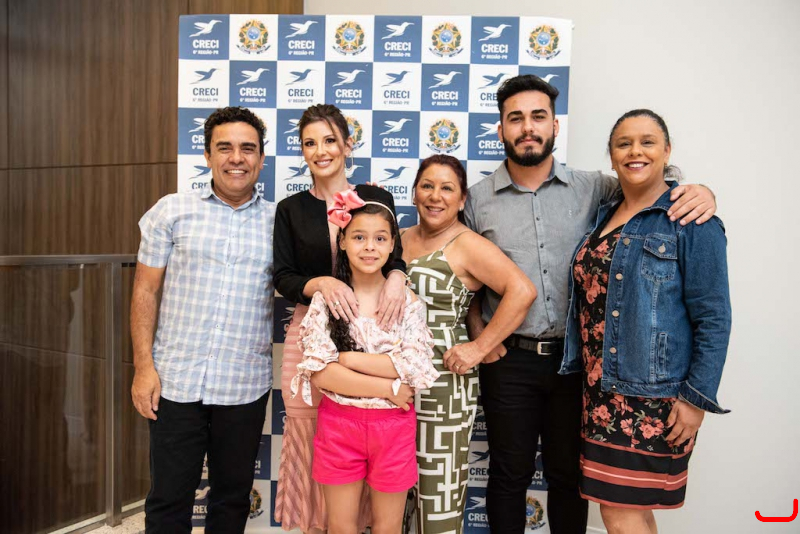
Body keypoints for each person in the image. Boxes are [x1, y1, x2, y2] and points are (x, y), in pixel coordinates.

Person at [463, 74, 718, 534]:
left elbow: (647, 183)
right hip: (510, 361)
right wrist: (479, 333)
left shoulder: (595, 188)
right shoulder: (476, 200)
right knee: (507, 475)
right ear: (500, 129)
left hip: (578, 363)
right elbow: (463, 276)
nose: (527, 127)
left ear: (554, 126)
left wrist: (697, 190)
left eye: (538, 116)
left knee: (569, 477)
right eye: (515, 118)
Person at [559, 109, 730, 534]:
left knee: (620, 514)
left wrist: (696, 398)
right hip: (599, 392)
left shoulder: (690, 219)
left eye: (647, 142)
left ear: (667, 150)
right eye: (624, 143)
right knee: (628, 512)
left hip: (652, 398)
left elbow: (714, 316)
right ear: (612, 156)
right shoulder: (603, 213)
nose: (635, 151)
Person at [130, 106, 275, 533]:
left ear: (261, 158)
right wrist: (143, 367)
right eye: (224, 148)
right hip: (175, 381)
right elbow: (144, 291)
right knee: (168, 500)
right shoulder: (171, 210)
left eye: (247, 148)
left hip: (243, 384)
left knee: (231, 500)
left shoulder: (278, 221)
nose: (236, 158)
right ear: (208, 155)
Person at [273, 103, 409, 533]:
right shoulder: (291, 209)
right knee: (316, 443)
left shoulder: (375, 197)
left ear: (348, 145)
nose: (321, 151)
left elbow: (395, 254)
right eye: (310, 143)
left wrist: (398, 277)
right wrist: (323, 284)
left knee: (372, 436)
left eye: (330, 140)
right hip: (310, 336)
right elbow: (283, 276)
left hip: (375, 333)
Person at [400, 155, 536, 533]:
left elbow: (522, 291)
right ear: (414, 193)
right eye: (427, 186)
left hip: (442, 384)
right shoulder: (398, 238)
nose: (435, 196)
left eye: (447, 188)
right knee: (391, 492)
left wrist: (479, 347)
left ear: (462, 200)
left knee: (436, 494)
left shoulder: (467, 244)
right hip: (391, 381)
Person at [291, 194, 440, 534]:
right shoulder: (327, 302)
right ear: (343, 241)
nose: (369, 247)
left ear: (392, 246)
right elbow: (321, 373)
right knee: (341, 527)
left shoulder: (408, 303)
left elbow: (415, 367)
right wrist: (389, 386)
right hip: (338, 426)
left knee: (388, 527)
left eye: (380, 238)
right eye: (359, 237)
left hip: (393, 429)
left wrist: (348, 359)